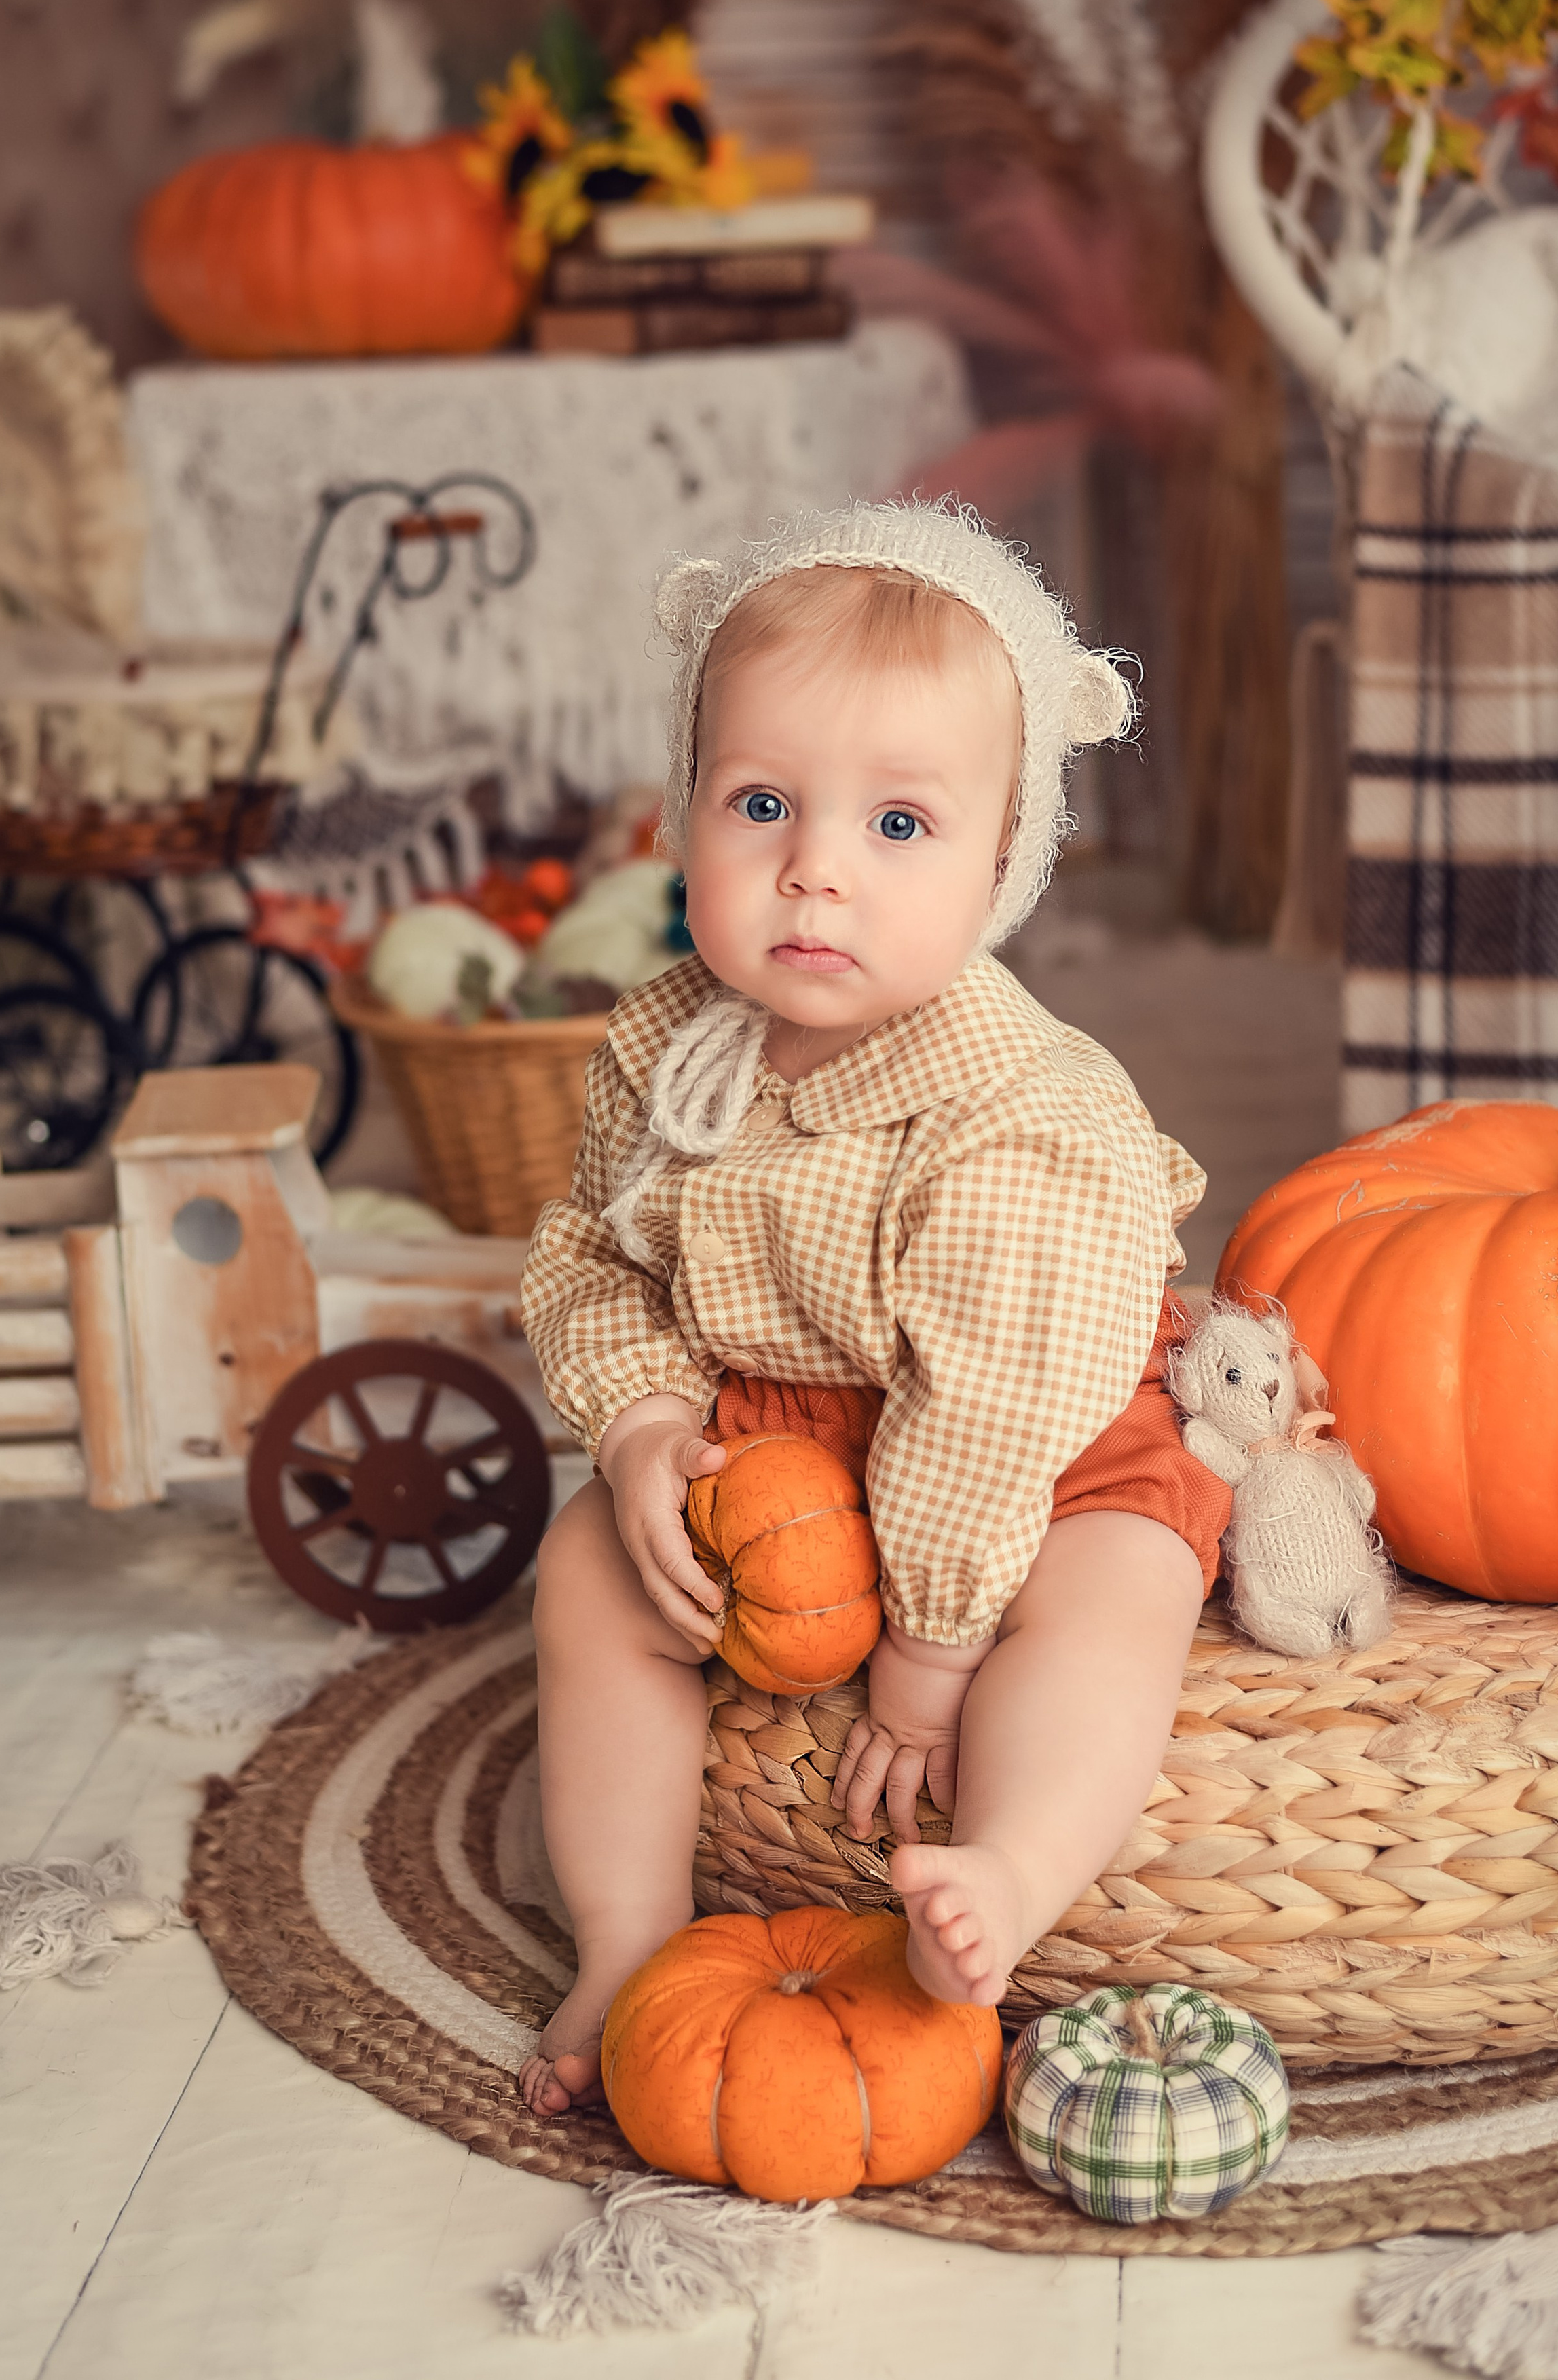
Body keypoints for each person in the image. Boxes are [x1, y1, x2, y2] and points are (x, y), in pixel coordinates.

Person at [517, 499, 1231, 2117]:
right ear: (679, 819)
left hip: (1039, 1432)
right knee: (586, 1567)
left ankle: (1010, 1868)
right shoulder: (665, 1047)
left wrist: (929, 1653)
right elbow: (588, 1255)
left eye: (895, 828)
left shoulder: (1018, 1116)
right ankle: (626, 1933)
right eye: (760, 802)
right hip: (784, 1419)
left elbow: (986, 1413)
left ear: (1000, 861)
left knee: (1112, 1594)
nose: (813, 871)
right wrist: (639, 1428)